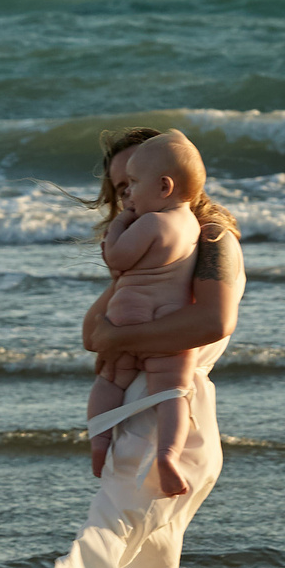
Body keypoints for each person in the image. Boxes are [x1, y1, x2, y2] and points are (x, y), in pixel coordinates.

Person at [53, 126, 266, 568]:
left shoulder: (210, 241)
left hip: (173, 425)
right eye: (115, 192)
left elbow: (213, 324)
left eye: (131, 186)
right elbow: (94, 330)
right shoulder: (149, 257)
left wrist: (124, 337)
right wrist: (118, 335)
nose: (123, 204)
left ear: (165, 178)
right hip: (139, 422)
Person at [84, 134, 203, 484]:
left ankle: (99, 442)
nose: (129, 196)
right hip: (168, 325)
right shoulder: (196, 228)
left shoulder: (149, 223)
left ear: (164, 187)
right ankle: (168, 457)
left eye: (133, 184)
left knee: (110, 380)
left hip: (128, 315)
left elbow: (118, 259)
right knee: (172, 393)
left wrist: (119, 225)